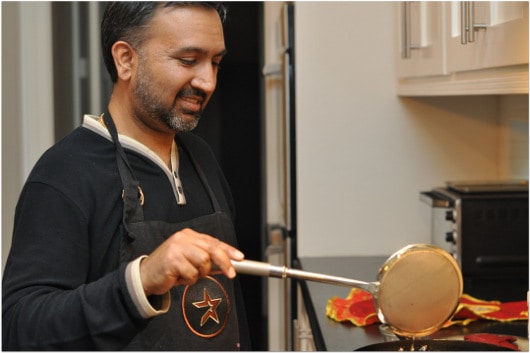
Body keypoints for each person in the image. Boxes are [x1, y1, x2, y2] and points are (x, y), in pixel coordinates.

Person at [2, 2, 252, 350]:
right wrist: (143, 279)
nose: (208, 81)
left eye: (215, 62)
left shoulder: (201, 157)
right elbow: (19, 328)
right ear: (125, 60)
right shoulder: (64, 174)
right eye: (187, 60)